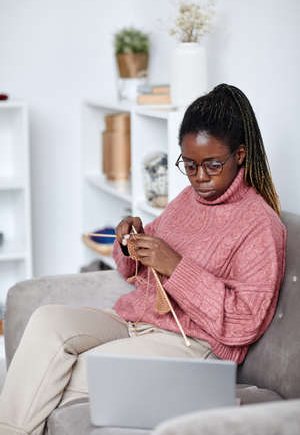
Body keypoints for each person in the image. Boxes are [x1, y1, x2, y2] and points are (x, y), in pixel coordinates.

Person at [0, 83, 286, 435]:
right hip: (137, 320)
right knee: (46, 321)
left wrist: (177, 267)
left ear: (240, 154)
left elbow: (245, 324)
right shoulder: (187, 199)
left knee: (60, 373)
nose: (199, 178)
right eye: (190, 165)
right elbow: (134, 270)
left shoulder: (260, 225)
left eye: (212, 165)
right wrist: (128, 243)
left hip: (192, 345)